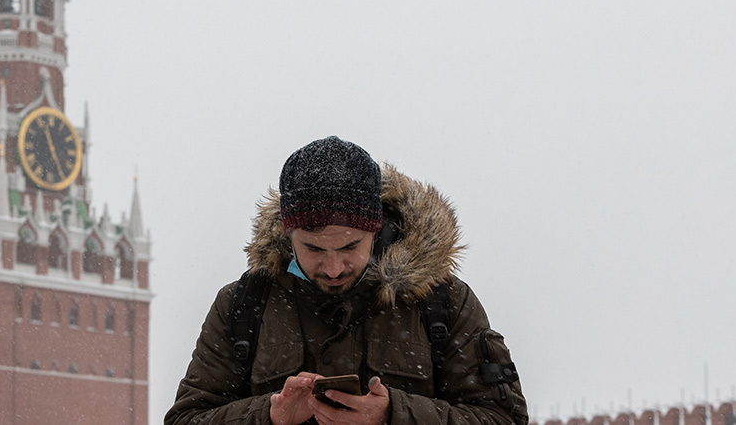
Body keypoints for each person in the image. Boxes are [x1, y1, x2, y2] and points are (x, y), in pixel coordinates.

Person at [165, 136, 529, 425]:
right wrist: (269, 416)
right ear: (287, 235)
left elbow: (503, 418)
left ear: (377, 229)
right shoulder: (243, 305)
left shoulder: (443, 301)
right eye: (314, 249)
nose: (334, 267)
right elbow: (185, 420)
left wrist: (393, 416)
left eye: (349, 247)